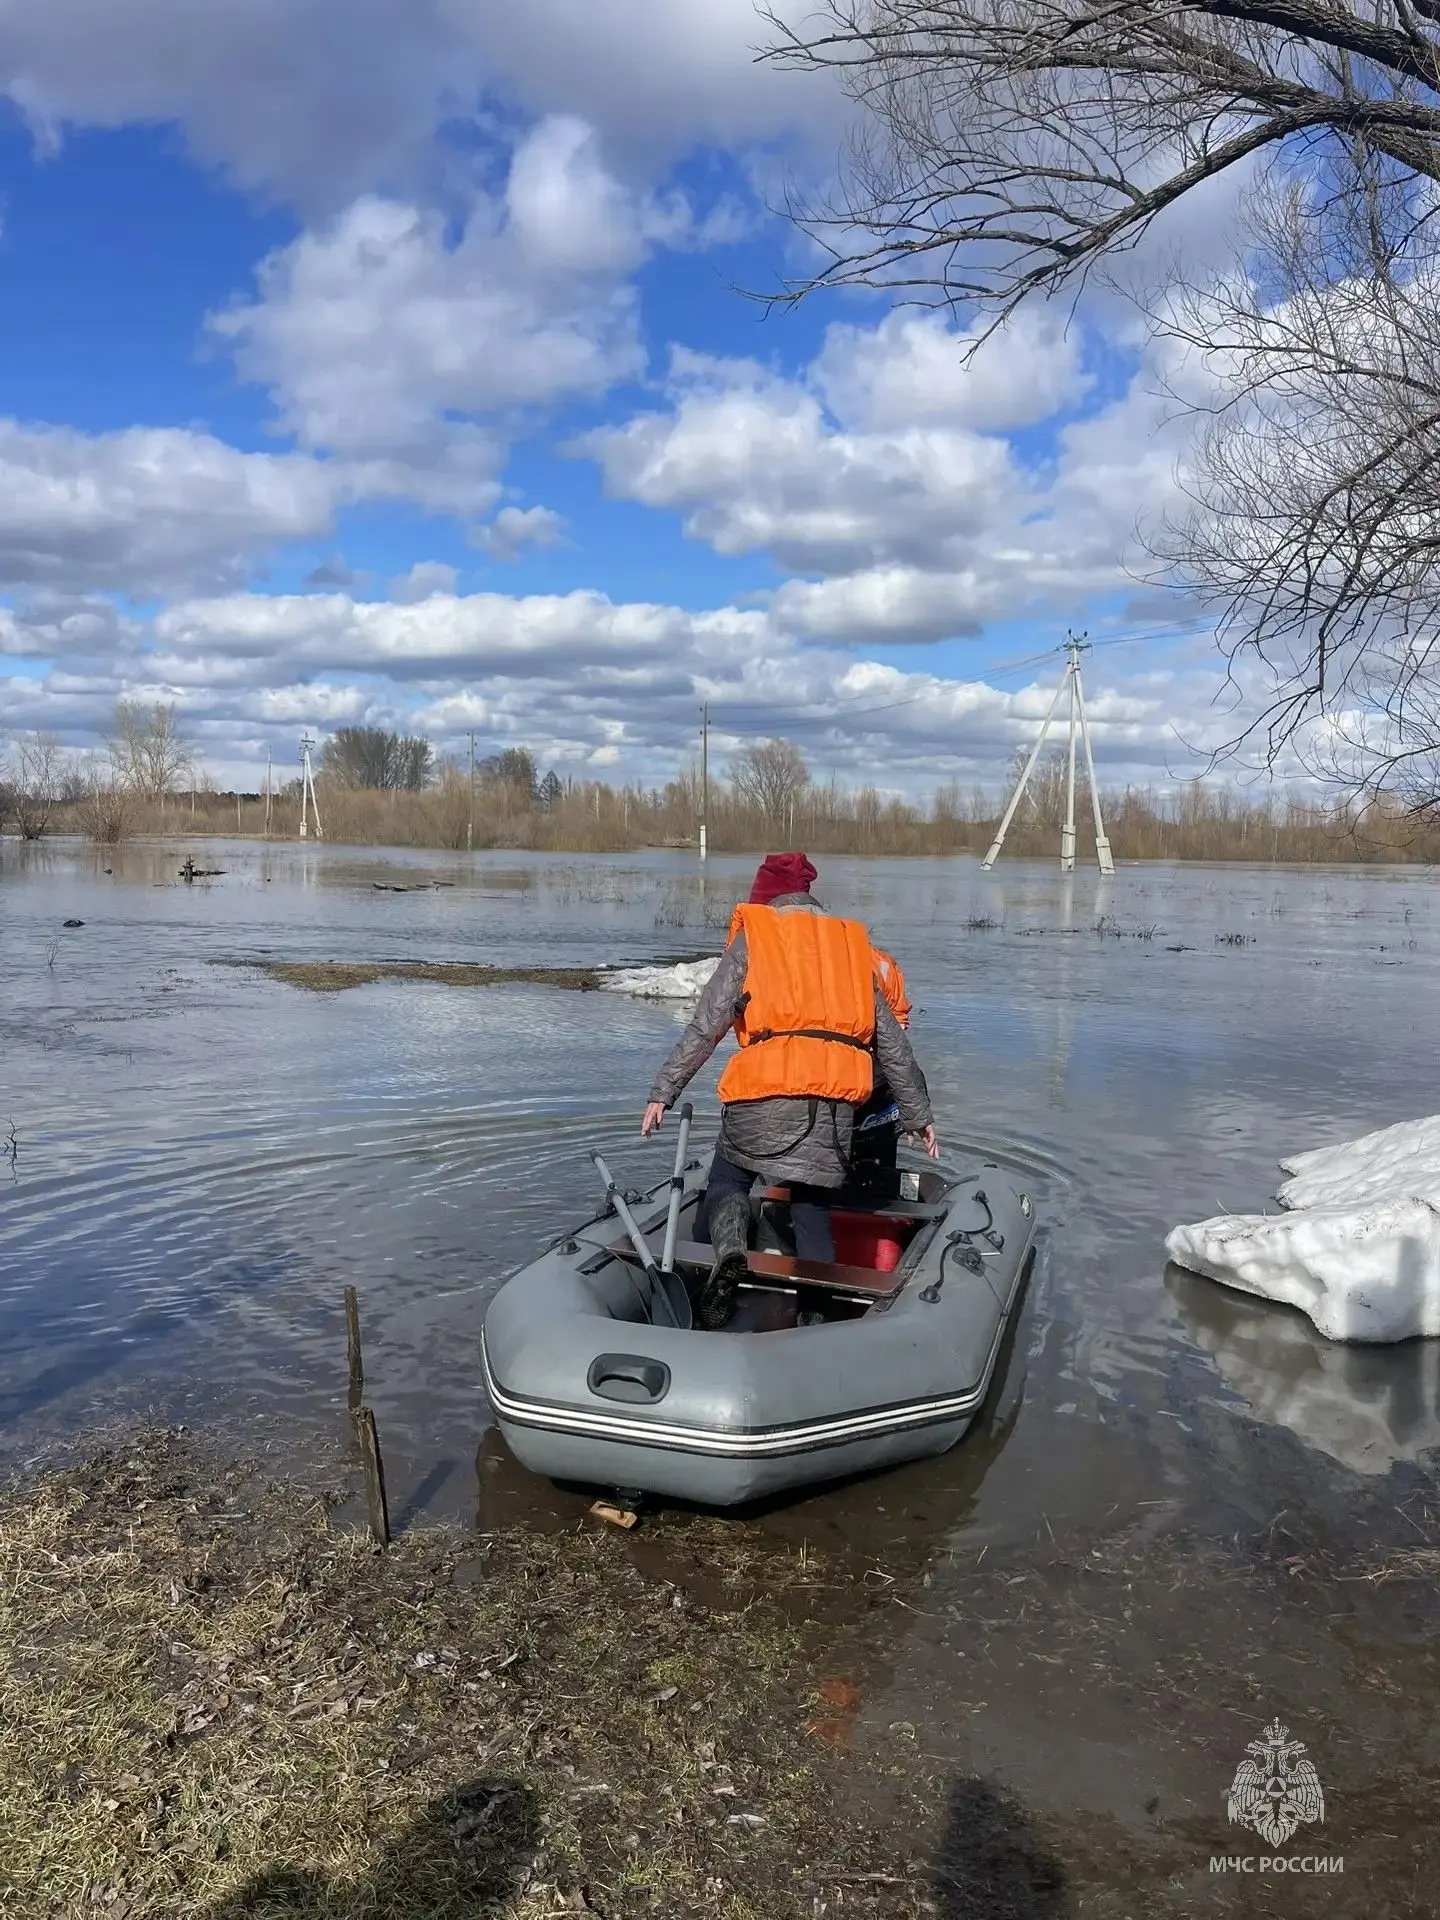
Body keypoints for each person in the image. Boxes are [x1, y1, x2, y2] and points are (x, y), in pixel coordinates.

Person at [641, 852, 938, 1329]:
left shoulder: (753, 938)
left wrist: (664, 1091)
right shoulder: (851, 947)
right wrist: (918, 1114)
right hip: (830, 1106)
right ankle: (817, 1318)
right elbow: (892, 1043)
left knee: (728, 1182)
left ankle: (732, 1251)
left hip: (759, 1097)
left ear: (765, 898)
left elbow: (707, 1024)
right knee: (810, 1205)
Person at [848, 942, 912, 1195]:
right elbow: (900, 1027)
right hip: (879, 1075)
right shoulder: (886, 964)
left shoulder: (816, 960)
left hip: (840, 1078)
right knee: (883, 1159)